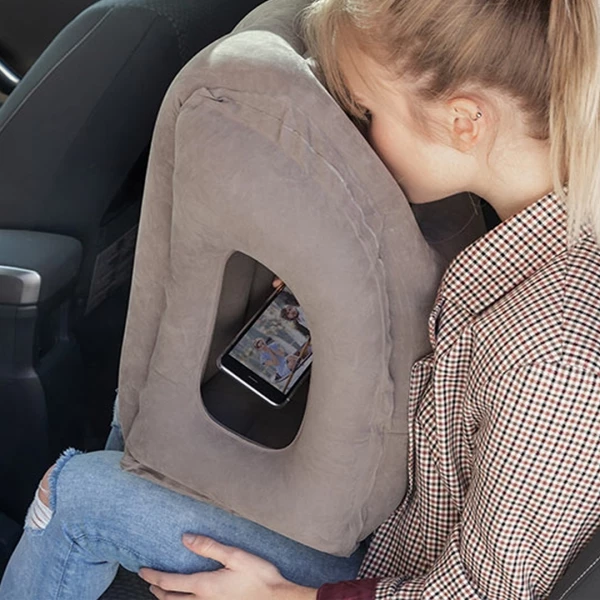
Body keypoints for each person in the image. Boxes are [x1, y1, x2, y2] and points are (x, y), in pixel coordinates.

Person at [2, 0, 600, 598]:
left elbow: (484, 592)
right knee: (134, 436)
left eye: (369, 110)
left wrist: (280, 597)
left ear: (465, 121)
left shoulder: (552, 358)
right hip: (386, 528)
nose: (364, 133)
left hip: (378, 577)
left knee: (76, 496)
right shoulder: (522, 240)